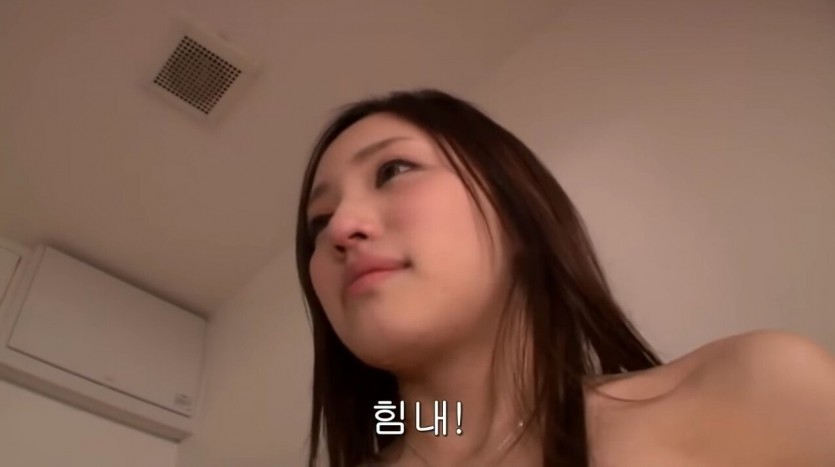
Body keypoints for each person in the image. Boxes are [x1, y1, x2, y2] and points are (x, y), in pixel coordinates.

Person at [294, 89, 835, 466]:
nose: (340, 228)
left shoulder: (754, 395)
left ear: (517, 209)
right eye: (318, 222)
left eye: (393, 170)